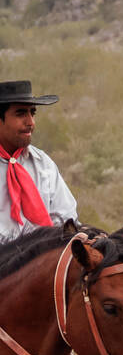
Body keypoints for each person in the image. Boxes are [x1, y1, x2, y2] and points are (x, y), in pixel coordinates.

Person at [0, 79, 77, 241]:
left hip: (40, 260)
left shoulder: (43, 163)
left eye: (32, 113)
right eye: (21, 114)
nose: (31, 123)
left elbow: (66, 218)